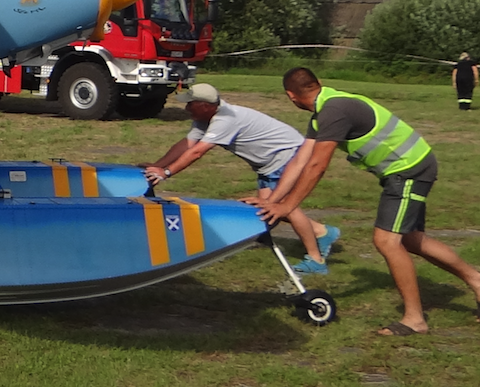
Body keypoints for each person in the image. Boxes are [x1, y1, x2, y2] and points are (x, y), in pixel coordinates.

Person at [253, 68, 480, 336]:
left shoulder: (334, 111)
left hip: (409, 170)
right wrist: (273, 201)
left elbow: (316, 166)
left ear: (291, 96)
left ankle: (415, 320)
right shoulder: (324, 111)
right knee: (410, 239)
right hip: (405, 169)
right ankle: (477, 280)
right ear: (319, 83)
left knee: (386, 240)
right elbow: (301, 160)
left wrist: (287, 207)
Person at [144, 83, 338, 274]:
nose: (186, 108)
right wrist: (158, 166)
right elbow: (187, 144)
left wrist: (167, 173)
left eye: (190, 104)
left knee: (285, 208)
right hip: (268, 164)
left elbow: (197, 152)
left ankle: (316, 259)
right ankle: (321, 231)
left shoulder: (225, 120)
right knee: (265, 207)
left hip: (287, 158)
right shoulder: (205, 117)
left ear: (204, 105)